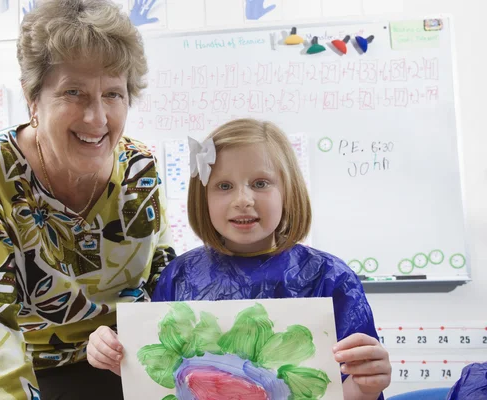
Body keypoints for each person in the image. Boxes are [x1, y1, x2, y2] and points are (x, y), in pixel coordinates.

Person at [0, 0, 175, 398]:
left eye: (114, 94)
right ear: (33, 99)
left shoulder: (140, 166)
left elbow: (164, 281)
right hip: (33, 372)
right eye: (74, 92)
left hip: (129, 363)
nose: (97, 118)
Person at [89, 118, 391, 399]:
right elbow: (157, 378)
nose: (243, 200)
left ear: (288, 191)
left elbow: (342, 390)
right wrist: (117, 355)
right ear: (202, 196)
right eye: (224, 186)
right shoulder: (179, 276)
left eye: (260, 183)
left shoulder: (330, 278)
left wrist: (366, 385)